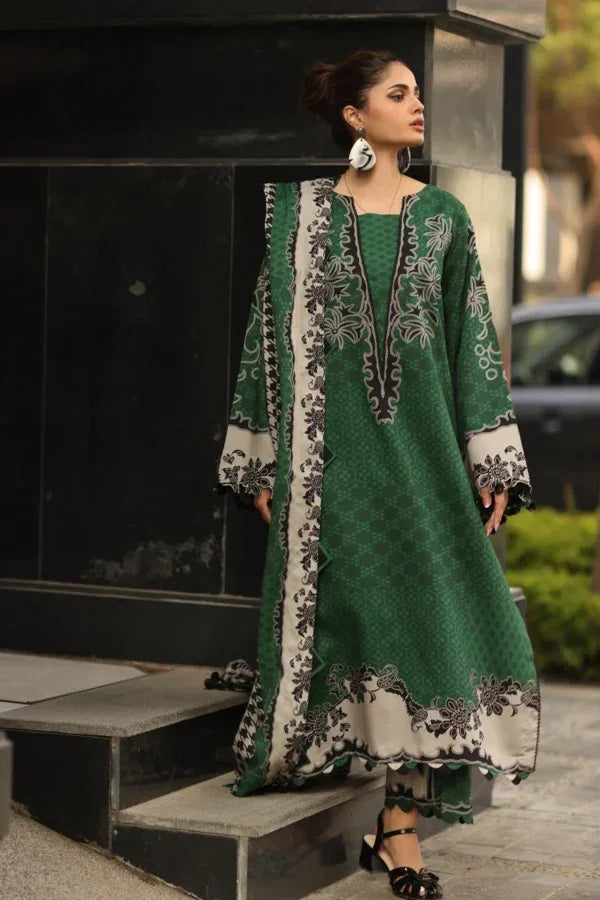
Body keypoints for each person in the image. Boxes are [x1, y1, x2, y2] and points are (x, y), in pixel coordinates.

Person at [212, 48, 540, 899]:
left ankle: (398, 825)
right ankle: (396, 835)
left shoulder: (442, 219)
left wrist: (492, 455)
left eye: (419, 93)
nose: (419, 106)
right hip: (333, 467)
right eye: (400, 95)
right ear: (357, 118)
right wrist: (258, 454)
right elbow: (263, 337)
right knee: (361, 626)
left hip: (424, 458)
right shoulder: (304, 217)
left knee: (431, 627)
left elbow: (472, 342)